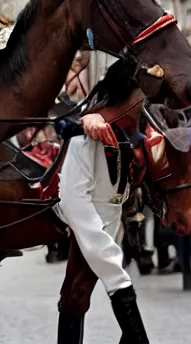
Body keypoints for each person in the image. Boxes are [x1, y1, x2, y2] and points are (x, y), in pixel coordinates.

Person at [54, 61, 150, 343]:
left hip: (114, 216)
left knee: (77, 290)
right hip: (89, 216)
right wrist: (86, 119)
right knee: (84, 288)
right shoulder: (85, 135)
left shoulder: (139, 128)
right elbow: (74, 200)